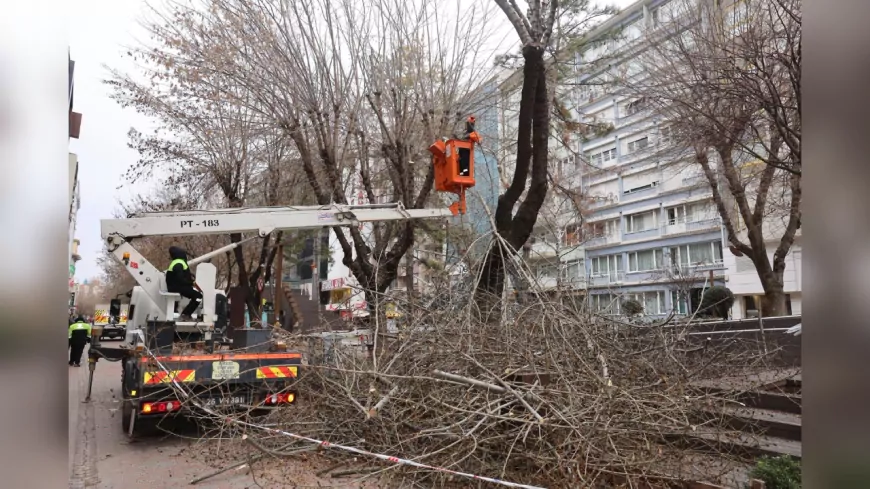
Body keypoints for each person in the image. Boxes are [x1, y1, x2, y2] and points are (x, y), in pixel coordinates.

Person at [166, 246, 202, 322]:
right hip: (177, 287)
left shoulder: (177, 262)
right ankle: (186, 314)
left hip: (176, 286)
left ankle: (186, 314)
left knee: (196, 295)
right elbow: (180, 278)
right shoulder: (179, 263)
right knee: (198, 296)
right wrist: (191, 283)